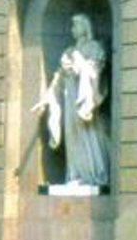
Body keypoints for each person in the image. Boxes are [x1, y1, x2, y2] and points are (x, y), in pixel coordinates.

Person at [36, 13, 110, 190]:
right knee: (72, 136)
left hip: (84, 101)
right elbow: (57, 81)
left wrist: (80, 65)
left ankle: (93, 174)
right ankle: (76, 174)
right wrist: (46, 99)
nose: (73, 29)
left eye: (76, 25)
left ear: (85, 27)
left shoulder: (94, 47)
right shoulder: (68, 52)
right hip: (69, 99)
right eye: (72, 26)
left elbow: (96, 71)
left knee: (87, 133)